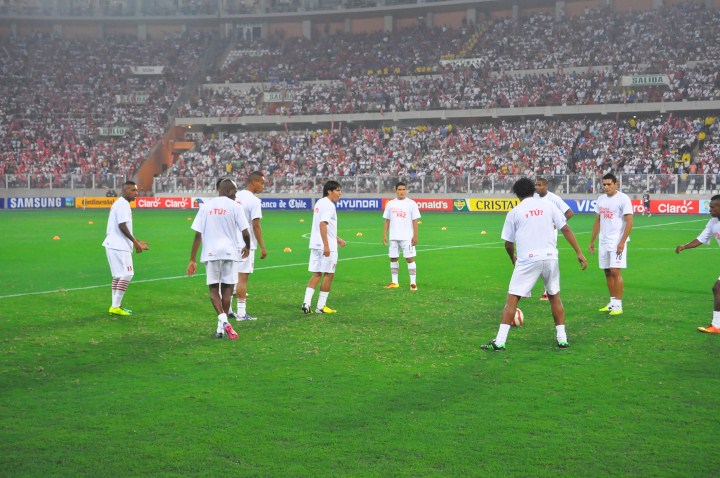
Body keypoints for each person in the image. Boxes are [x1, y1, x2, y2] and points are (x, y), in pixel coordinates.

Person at [482, 177, 588, 352]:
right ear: (533, 190)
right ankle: (562, 339)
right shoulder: (549, 206)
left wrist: (513, 258)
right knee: (554, 296)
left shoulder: (514, 212)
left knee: (512, 299)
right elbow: (566, 228)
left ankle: (499, 341)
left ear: (517, 194)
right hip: (550, 257)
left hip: (528, 259)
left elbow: (508, 243)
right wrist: (579, 252)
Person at [187, 179, 251, 339]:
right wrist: (248, 247)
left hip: (211, 253)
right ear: (228, 190)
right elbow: (245, 232)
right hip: (230, 252)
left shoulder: (206, 206)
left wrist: (192, 259)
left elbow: (197, 235)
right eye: (235, 190)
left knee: (214, 289)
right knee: (227, 289)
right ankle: (221, 327)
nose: (236, 194)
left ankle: (223, 323)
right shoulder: (236, 207)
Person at [589, 173, 634, 316]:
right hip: (603, 240)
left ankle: (618, 305)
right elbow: (598, 220)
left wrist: (622, 242)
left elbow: (629, 221)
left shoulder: (623, 199)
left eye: (609, 184)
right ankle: (612, 302)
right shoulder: (601, 199)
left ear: (616, 184)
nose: (606, 187)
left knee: (615, 271)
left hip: (616, 241)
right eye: (604, 184)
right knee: (607, 271)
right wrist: (592, 241)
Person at [102, 181, 149, 316]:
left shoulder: (119, 203)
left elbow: (123, 227)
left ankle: (115, 306)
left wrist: (137, 241)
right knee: (128, 274)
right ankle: (116, 306)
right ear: (124, 191)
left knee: (118, 275)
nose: (136, 193)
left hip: (112, 244)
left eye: (136, 190)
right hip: (119, 246)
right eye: (133, 190)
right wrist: (135, 243)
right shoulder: (123, 204)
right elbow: (122, 226)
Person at [675, 194, 720, 334]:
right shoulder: (713, 223)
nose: (710, 209)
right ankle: (716, 325)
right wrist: (684, 246)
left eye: (712, 207)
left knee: (718, 288)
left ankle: (717, 325)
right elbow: (700, 239)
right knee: (718, 288)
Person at [301, 180, 346, 314]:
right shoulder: (330, 205)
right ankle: (321, 306)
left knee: (317, 274)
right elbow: (322, 224)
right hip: (326, 246)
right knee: (329, 274)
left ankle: (306, 303)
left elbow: (323, 226)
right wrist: (327, 245)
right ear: (329, 191)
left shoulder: (320, 203)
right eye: (337, 190)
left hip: (315, 244)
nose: (340, 193)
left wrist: (336, 239)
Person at [228, 171, 268, 322]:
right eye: (261, 183)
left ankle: (228, 310)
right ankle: (241, 313)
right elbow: (256, 226)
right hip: (245, 244)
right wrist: (262, 246)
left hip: (231, 243)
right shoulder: (254, 201)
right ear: (254, 182)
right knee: (242, 279)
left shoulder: (235, 196)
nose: (263, 186)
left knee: (230, 278)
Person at [535, 177, 574, 300]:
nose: (537, 187)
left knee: (548, 261)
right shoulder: (533, 197)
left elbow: (569, 212)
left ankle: (548, 290)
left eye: (540, 185)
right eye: (536, 185)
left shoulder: (554, 198)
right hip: (536, 233)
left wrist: (557, 224)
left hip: (550, 235)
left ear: (546, 186)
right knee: (535, 258)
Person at [382, 181, 421, 290]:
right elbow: (387, 220)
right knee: (393, 258)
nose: (402, 191)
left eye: (404, 189)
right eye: (399, 189)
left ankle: (413, 283)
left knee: (410, 259)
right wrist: (384, 234)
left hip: (407, 237)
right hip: (393, 236)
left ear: (406, 190)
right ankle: (395, 282)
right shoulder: (390, 204)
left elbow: (415, 221)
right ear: (396, 191)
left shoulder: (411, 203)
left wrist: (415, 235)